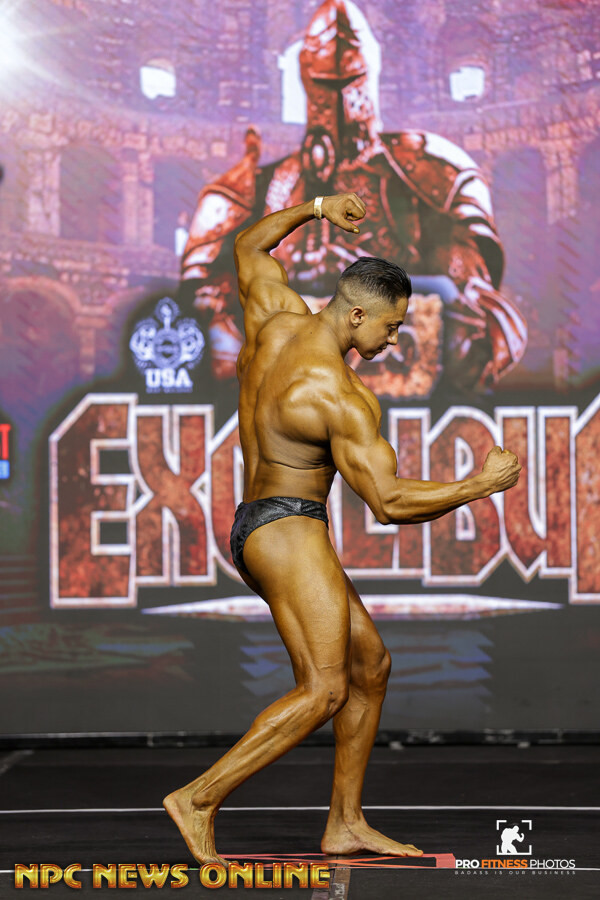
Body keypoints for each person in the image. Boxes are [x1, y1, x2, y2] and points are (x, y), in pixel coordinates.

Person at [163, 192, 522, 865]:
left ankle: (345, 823)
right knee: (325, 688)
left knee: (369, 665)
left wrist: (317, 207)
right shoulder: (340, 394)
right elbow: (388, 502)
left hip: (261, 523)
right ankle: (199, 799)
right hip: (287, 529)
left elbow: (247, 245)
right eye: (390, 327)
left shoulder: (273, 316)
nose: (394, 340)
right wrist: (480, 484)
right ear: (356, 314)